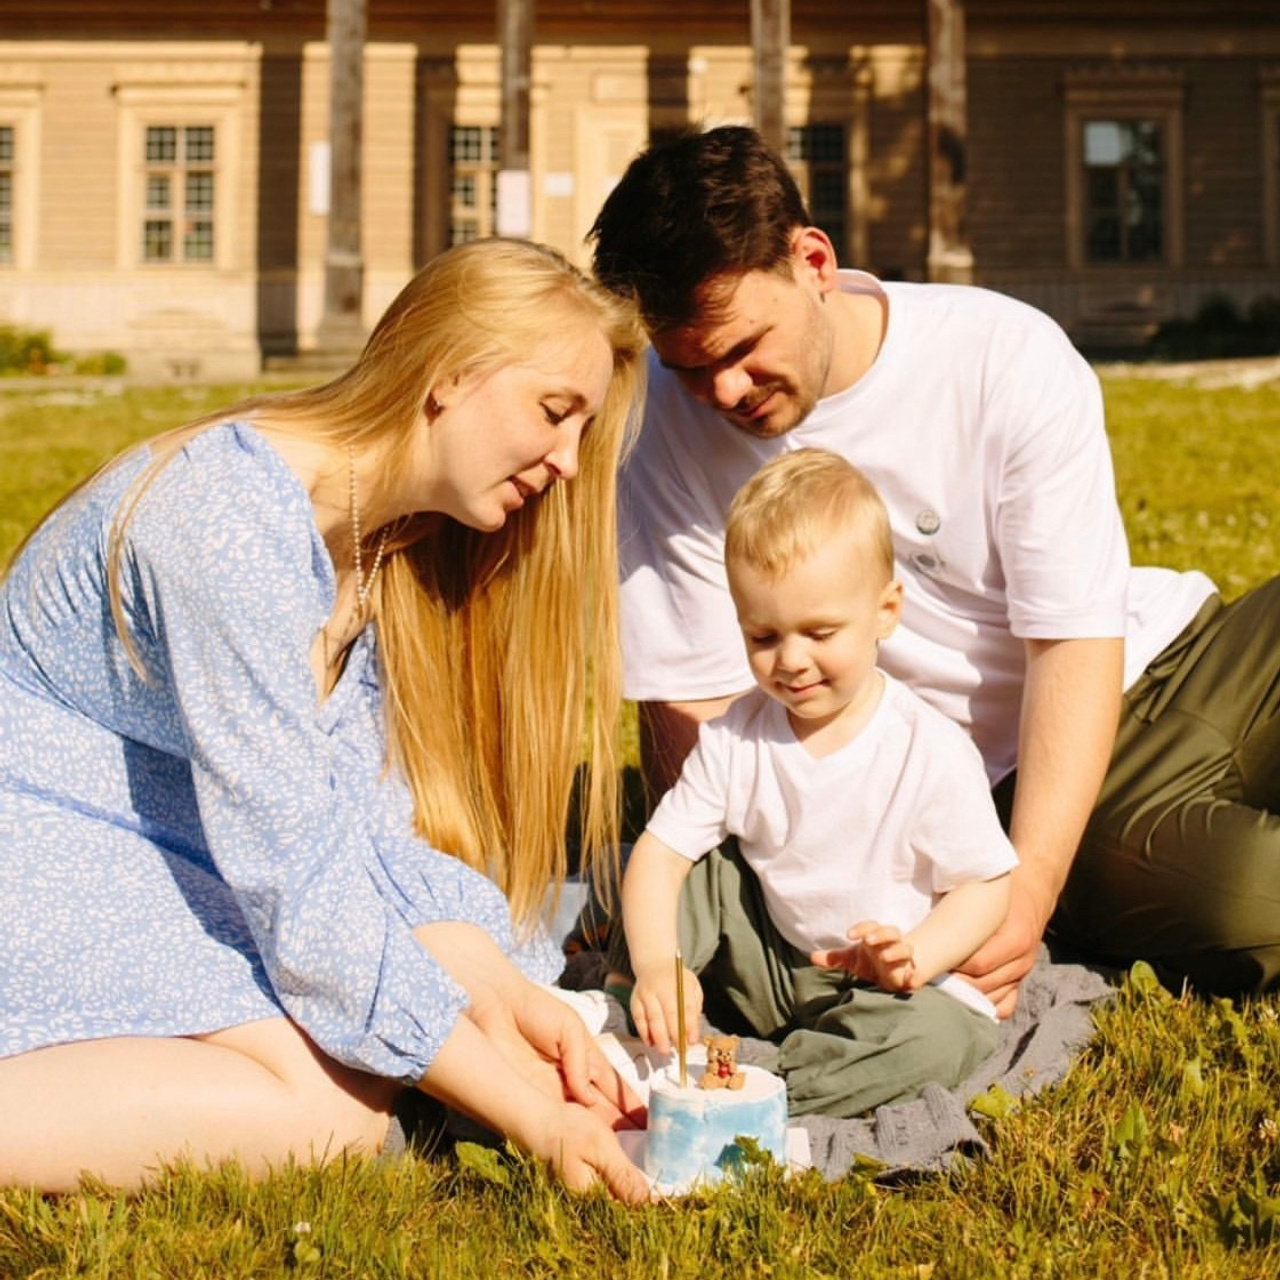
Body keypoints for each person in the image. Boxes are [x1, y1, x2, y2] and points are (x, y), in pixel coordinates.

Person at [0, 237, 652, 1202]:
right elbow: (303, 894)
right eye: (555, 413)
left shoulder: (375, 545)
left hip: (156, 849)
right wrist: (532, 1120)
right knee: (330, 1113)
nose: (564, 461)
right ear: (449, 373)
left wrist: (515, 1000)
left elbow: (364, 834)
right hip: (42, 842)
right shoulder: (224, 517)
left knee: (356, 1089)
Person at [588, 124, 1280, 1016]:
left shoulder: (1002, 354)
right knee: (1248, 903)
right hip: (1055, 778)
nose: (723, 391)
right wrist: (1017, 886)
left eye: (742, 346)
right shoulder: (663, 434)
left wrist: (1027, 892)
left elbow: (1072, 638)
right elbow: (690, 697)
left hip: (1166, 650)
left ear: (813, 261)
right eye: (690, 369)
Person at [616, 449, 1017, 1117]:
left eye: (820, 631)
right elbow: (661, 855)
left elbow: (987, 884)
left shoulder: (928, 749)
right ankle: (639, 1004)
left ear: (886, 611)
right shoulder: (738, 735)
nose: (791, 660)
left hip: (880, 989)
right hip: (768, 965)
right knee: (699, 867)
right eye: (763, 636)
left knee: (945, 1034)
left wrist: (916, 954)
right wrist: (659, 962)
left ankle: (776, 1094)